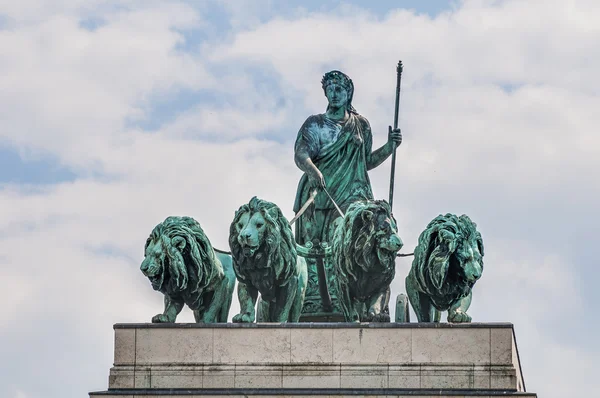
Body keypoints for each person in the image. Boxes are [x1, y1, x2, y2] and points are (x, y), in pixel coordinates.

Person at [293, 70, 402, 246]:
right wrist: (313, 171)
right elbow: (301, 154)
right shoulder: (315, 123)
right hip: (321, 191)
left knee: (356, 239)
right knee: (317, 247)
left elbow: (366, 162)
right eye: (330, 90)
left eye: (339, 89)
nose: (334, 94)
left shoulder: (361, 124)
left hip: (353, 193)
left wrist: (389, 147)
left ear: (348, 93)